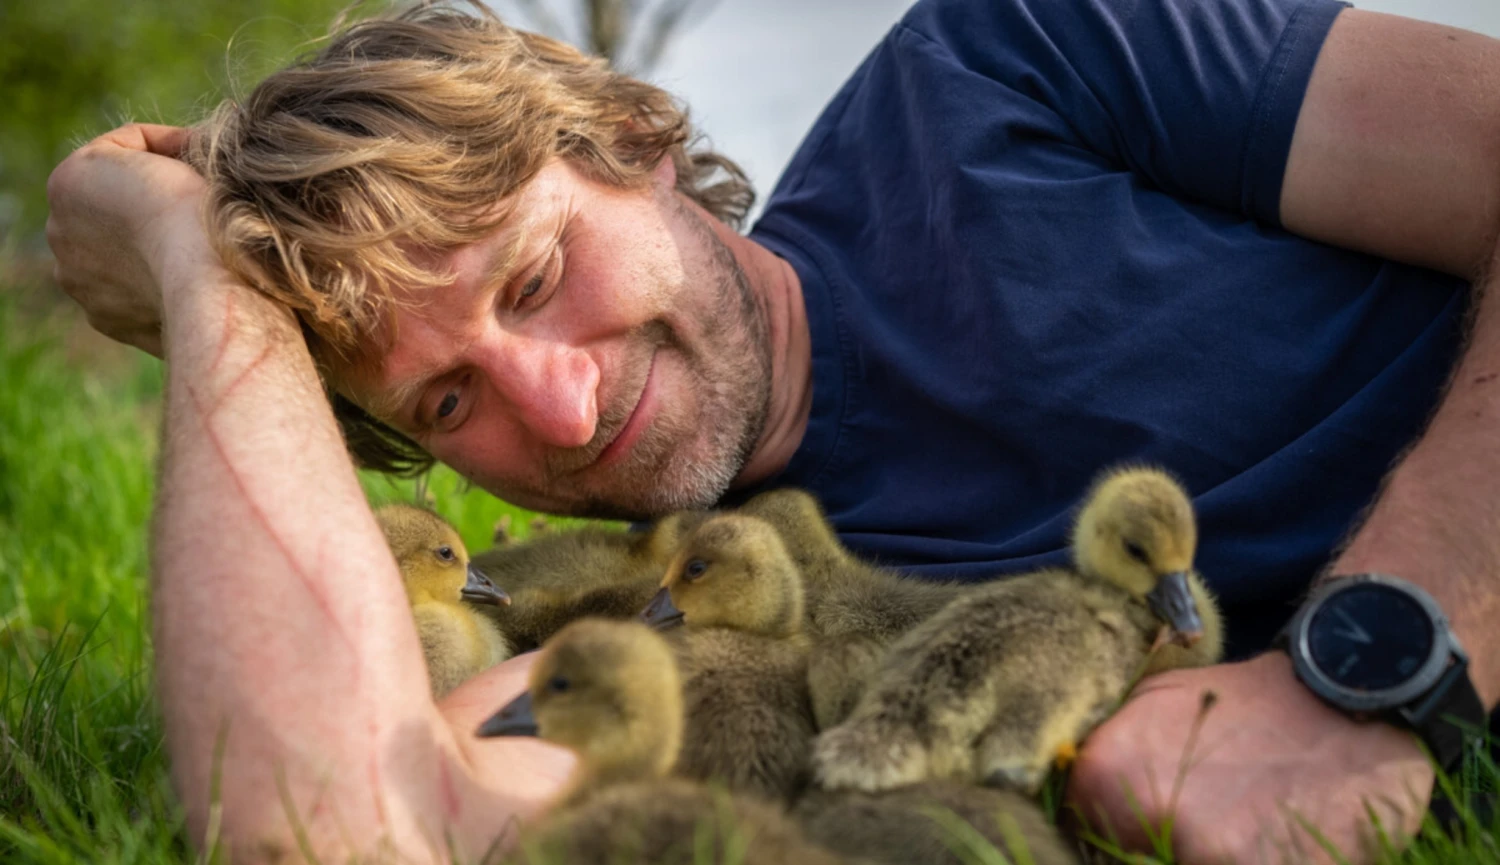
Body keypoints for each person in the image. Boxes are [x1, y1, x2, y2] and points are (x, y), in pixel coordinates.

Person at [44, 0, 1500, 861]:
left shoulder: (1011, 63)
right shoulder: (694, 638)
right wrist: (201, 278)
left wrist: (1373, 673)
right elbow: (336, 826)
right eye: (445, 402)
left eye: (538, 277)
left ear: (633, 140)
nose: (556, 407)